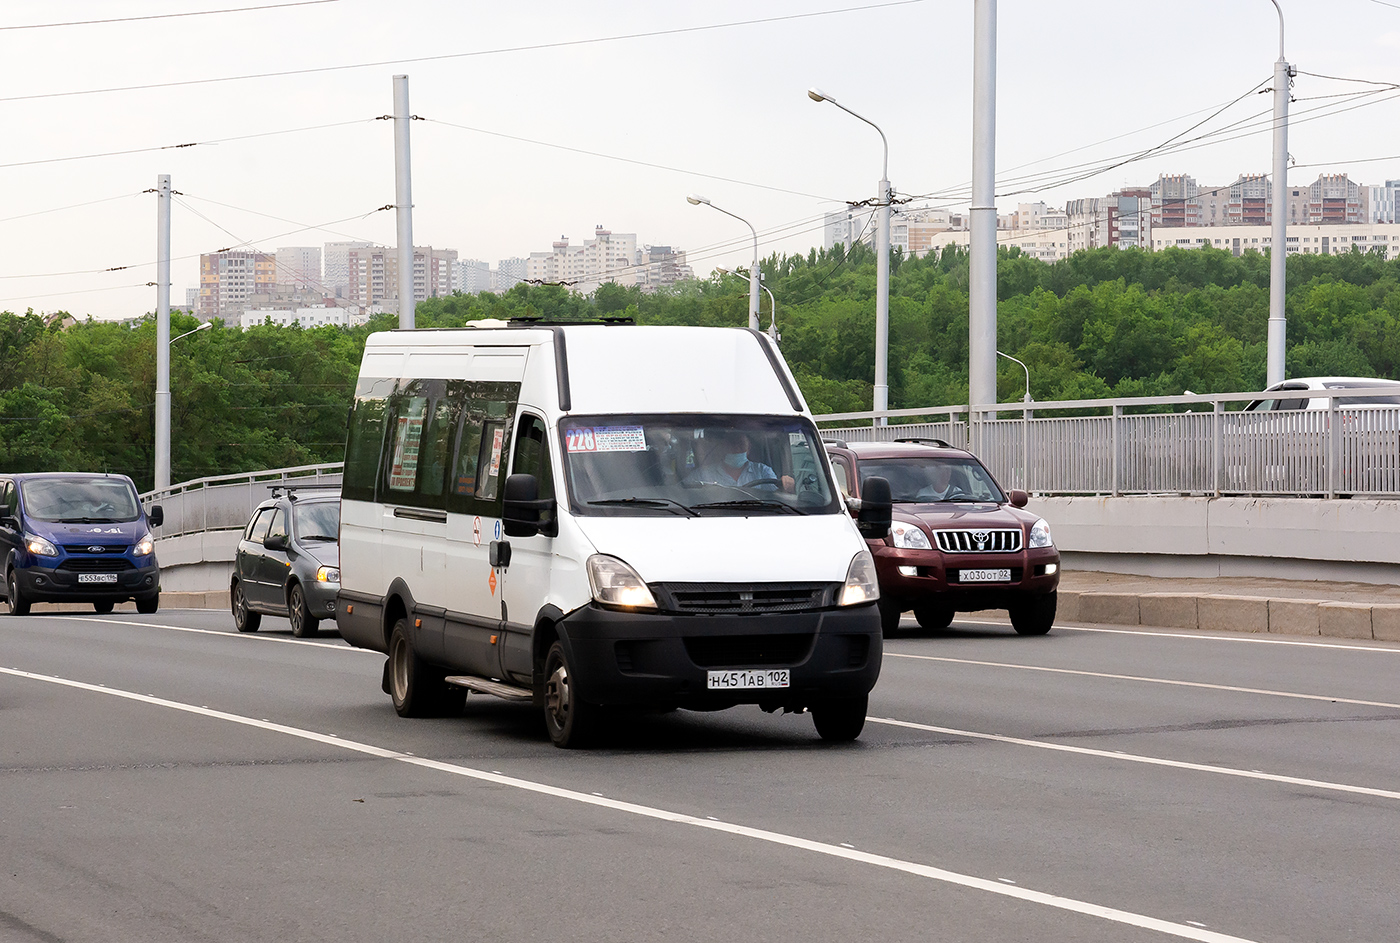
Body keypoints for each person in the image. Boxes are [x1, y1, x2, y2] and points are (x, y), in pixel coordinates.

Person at [688, 430, 782, 490]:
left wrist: (785, 485)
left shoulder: (763, 472)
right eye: (731, 445)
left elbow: (777, 496)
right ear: (723, 448)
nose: (736, 449)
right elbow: (681, 491)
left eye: (741, 445)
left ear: (748, 449)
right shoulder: (703, 474)